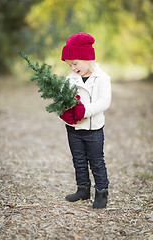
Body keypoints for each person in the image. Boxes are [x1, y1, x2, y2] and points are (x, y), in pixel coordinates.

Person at [60, 32, 111, 209]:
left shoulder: (102, 78)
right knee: (79, 160)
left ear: (86, 58)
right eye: (69, 65)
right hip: (74, 128)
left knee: (96, 161)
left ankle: (102, 191)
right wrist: (63, 112)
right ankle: (83, 189)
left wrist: (85, 111)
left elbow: (104, 102)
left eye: (75, 63)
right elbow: (63, 100)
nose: (73, 68)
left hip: (93, 129)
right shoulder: (70, 79)